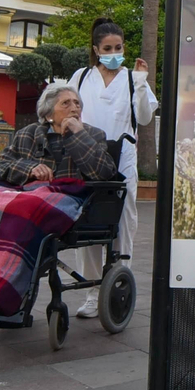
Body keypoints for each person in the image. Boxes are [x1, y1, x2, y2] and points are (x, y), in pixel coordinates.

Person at [0, 83, 117, 317]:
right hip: (26, 194)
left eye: (77, 103)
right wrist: (29, 168)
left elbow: (104, 172)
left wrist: (78, 135)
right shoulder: (27, 134)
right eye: (65, 103)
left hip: (68, 198)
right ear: (48, 113)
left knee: (22, 211)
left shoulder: (93, 135)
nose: (73, 108)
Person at [69, 18, 157, 319]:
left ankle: (119, 284)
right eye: (107, 48)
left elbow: (145, 118)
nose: (114, 52)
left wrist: (143, 81)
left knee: (122, 221)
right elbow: (66, 108)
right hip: (86, 157)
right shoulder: (81, 77)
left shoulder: (132, 79)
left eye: (118, 47)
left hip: (123, 158)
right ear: (96, 49)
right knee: (86, 222)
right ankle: (93, 291)